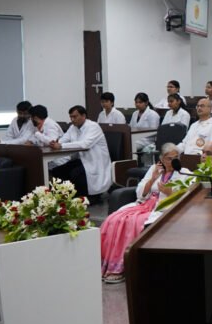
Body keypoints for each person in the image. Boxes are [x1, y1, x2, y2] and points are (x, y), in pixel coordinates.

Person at [100, 143, 186, 283]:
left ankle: (122, 268)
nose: (173, 162)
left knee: (135, 222)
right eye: (169, 158)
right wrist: (153, 178)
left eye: (176, 158)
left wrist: (169, 192)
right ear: (162, 159)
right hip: (145, 204)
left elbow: (185, 196)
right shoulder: (154, 169)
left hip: (164, 208)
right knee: (114, 219)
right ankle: (108, 265)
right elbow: (140, 193)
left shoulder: (183, 172)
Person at [48, 105, 112, 199]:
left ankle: (88, 197)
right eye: (71, 117)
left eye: (75, 116)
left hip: (95, 162)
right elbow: (64, 139)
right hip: (82, 159)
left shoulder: (93, 126)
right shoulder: (73, 127)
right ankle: (65, 197)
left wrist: (61, 146)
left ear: (83, 116)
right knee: (57, 170)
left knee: (75, 173)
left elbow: (85, 144)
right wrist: (55, 143)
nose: (72, 119)